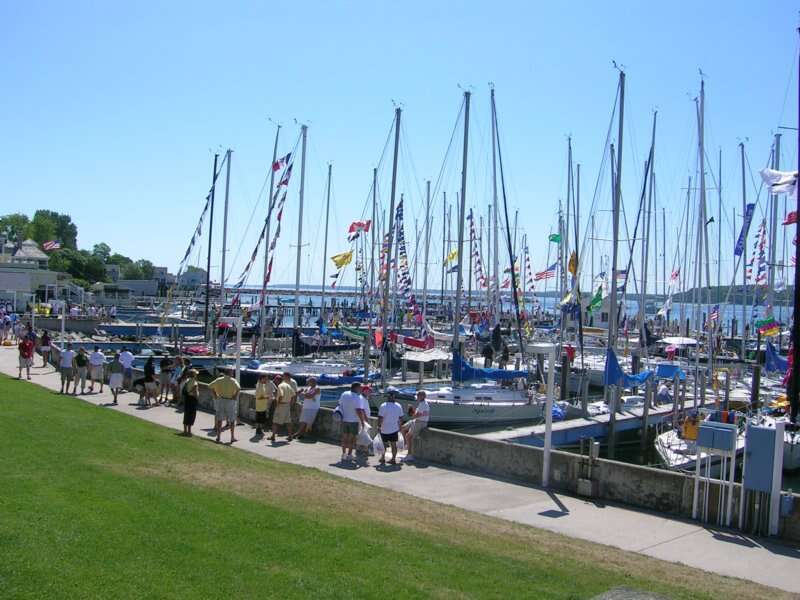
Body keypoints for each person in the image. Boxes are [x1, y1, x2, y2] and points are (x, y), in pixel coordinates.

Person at [337, 382, 366, 462]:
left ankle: (343, 454)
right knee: (352, 439)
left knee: (344, 438)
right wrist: (362, 421)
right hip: (353, 421)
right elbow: (359, 410)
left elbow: (339, 403)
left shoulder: (344, 394)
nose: (361, 389)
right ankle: (349, 455)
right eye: (360, 387)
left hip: (344, 419)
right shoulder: (358, 397)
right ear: (356, 388)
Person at [209, 371, 240, 444]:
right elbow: (238, 388)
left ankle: (218, 437)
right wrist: (235, 396)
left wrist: (215, 395)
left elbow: (210, 386)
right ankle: (232, 437)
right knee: (232, 420)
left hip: (221, 400)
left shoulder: (219, 380)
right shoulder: (233, 380)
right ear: (230, 373)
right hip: (230, 401)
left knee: (220, 419)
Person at [401, 389, 430, 462]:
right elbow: (416, 415)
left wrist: (411, 409)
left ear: (423, 396)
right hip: (417, 420)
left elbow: (416, 416)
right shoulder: (421, 403)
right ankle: (406, 445)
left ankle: (409, 455)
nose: (417, 396)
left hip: (420, 422)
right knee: (403, 428)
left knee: (408, 436)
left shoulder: (423, 404)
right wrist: (412, 410)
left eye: (418, 395)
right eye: (417, 395)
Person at [377, 388, 404, 465]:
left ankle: (383, 458)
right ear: (394, 397)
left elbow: (380, 418)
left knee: (384, 444)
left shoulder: (383, 405)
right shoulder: (398, 405)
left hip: (384, 429)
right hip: (394, 429)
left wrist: (379, 426)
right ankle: (393, 459)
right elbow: (401, 418)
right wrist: (400, 426)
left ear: (387, 397)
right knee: (393, 444)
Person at [272, 372, 297, 442]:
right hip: (287, 405)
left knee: (275, 421)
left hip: (281, 405)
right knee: (288, 421)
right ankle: (290, 436)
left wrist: (277, 404)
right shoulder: (288, 385)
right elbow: (293, 395)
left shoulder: (280, 386)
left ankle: (273, 436)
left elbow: (281, 395)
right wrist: (291, 403)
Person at [182, 369, 200, 436]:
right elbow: (195, 391)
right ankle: (189, 431)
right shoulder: (194, 382)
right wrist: (197, 398)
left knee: (186, 413)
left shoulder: (187, 380)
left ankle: (185, 430)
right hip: (192, 399)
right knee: (191, 415)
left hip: (187, 398)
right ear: (194, 375)